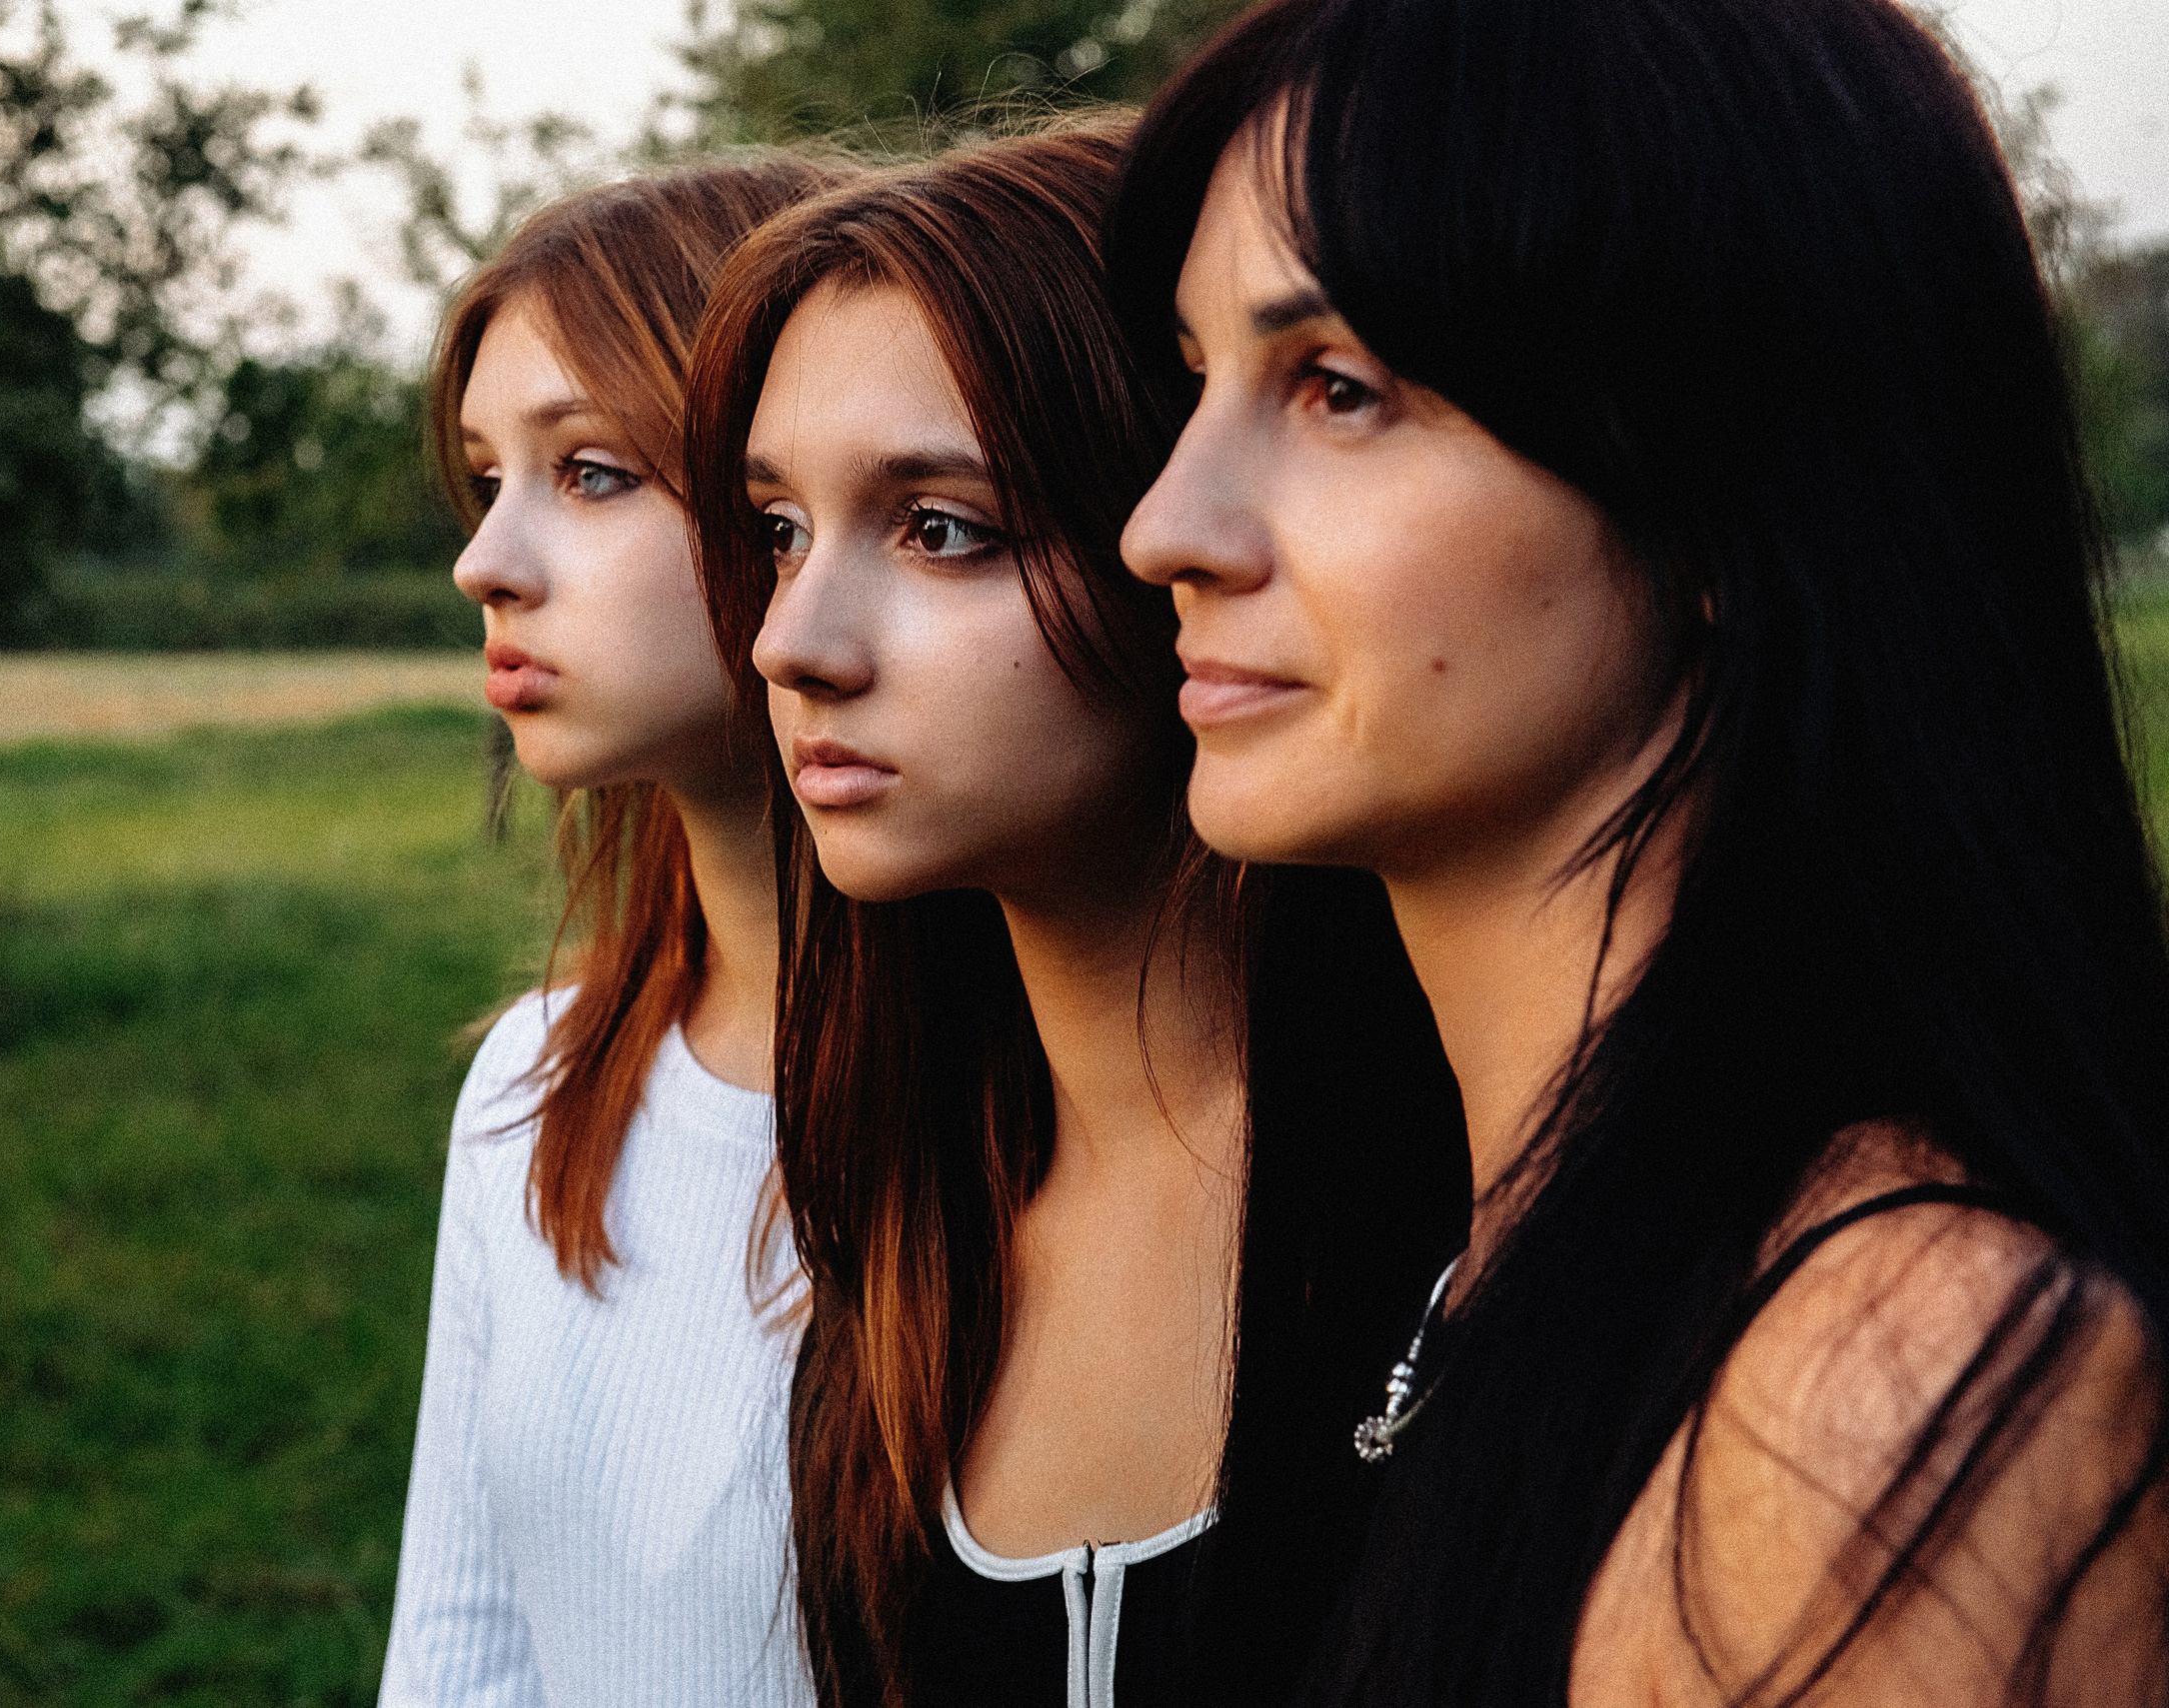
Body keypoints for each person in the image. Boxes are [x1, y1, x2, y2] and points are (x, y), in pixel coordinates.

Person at [1109, 0, 2169, 1700]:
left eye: (1338, 388)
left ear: (1726, 499)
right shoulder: (1446, 1238)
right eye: (1197, 379)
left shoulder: (1881, 1384)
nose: (1164, 524)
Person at [685, 117, 1466, 1708]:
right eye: (778, 531)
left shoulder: (1463, 1209)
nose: (792, 642)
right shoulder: (902, 1218)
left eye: (941, 528)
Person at [378, 153, 849, 1708]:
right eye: (487, 473)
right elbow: (460, 1655)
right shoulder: (535, 1084)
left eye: (589, 472)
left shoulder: (1080, 1129)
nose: (485, 561)